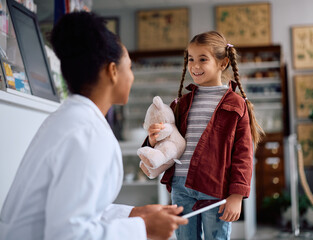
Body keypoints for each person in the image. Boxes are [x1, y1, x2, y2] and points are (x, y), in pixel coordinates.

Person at [0, 11, 187, 240]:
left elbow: (77, 207)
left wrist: (135, 214)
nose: (132, 76)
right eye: (129, 67)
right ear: (112, 71)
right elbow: (68, 234)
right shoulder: (88, 134)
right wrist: (144, 229)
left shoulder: (71, 120)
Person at [145, 31, 264, 239]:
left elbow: (243, 155)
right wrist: (153, 140)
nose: (195, 66)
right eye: (190, 59)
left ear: (223, 63)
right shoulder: (181, 103)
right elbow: (168, 141)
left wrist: (236, 195)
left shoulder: (237, 105)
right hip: (181, 186)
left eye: (202, 59)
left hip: (215, 188)